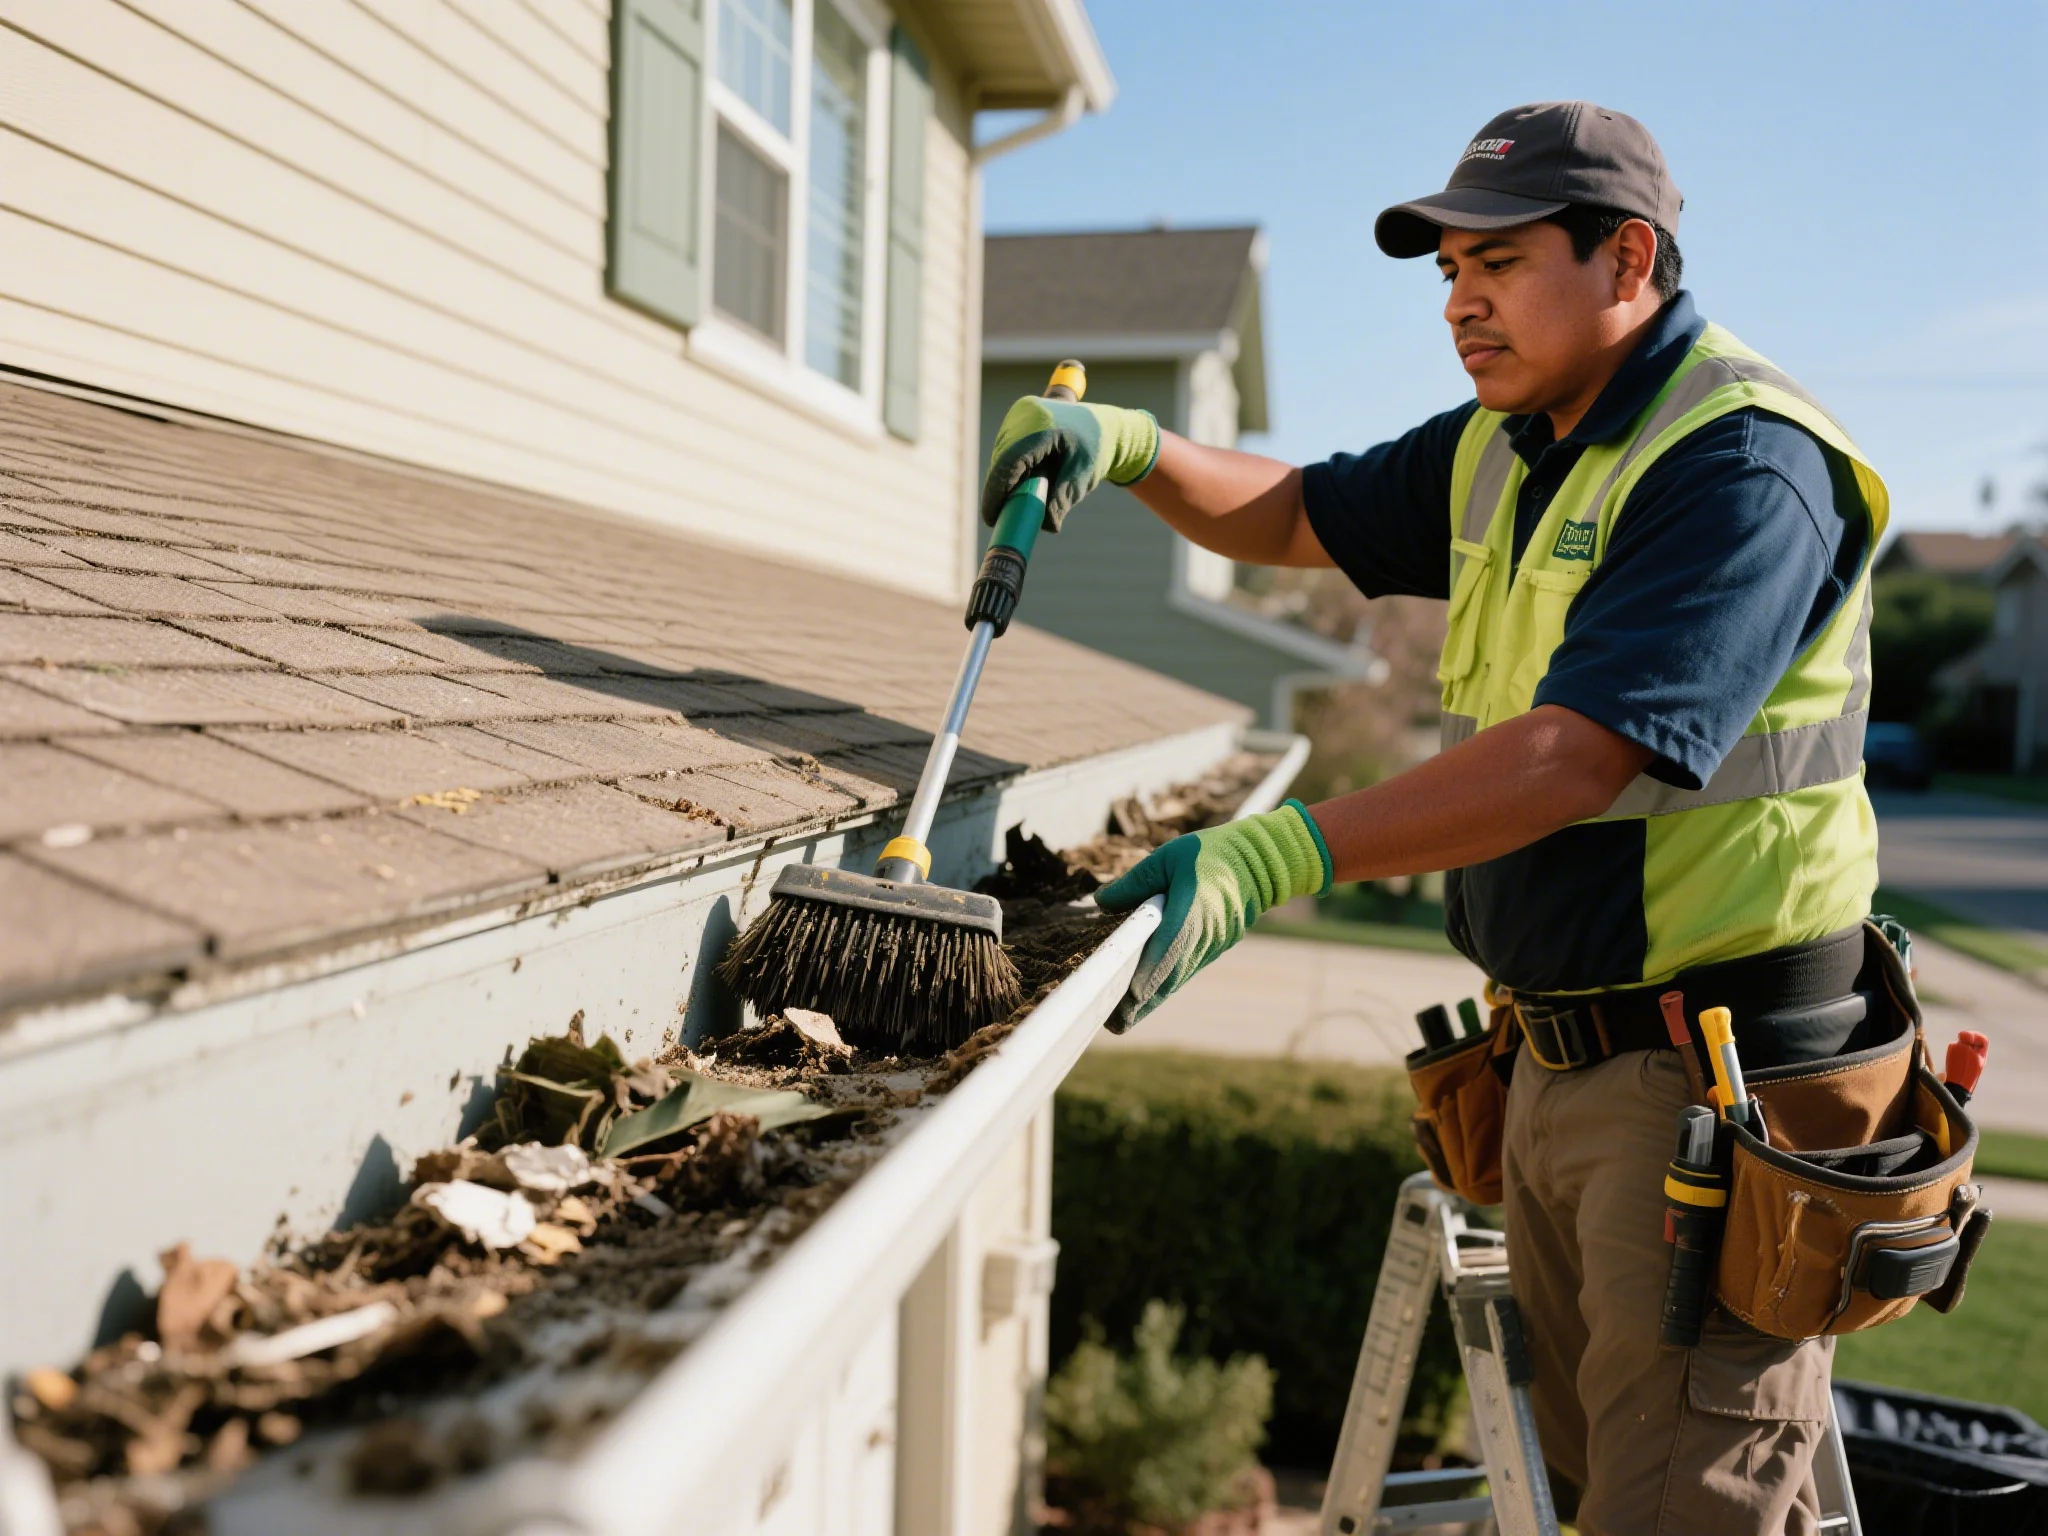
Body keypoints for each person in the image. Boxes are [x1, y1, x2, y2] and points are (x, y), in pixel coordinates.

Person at [979, 102, 1887, 1536]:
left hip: (1718, 1086)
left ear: (1628, 258)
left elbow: (1575, 759)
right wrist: (1136, 445)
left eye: (1502, 262)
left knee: (1678, 1509)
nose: (1462, 302)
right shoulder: (1510, 444)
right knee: (1594, 1488)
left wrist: (1285, 850)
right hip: (1555, 1056)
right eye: (1449, 269)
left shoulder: (1739, 466)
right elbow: (1293, 514)